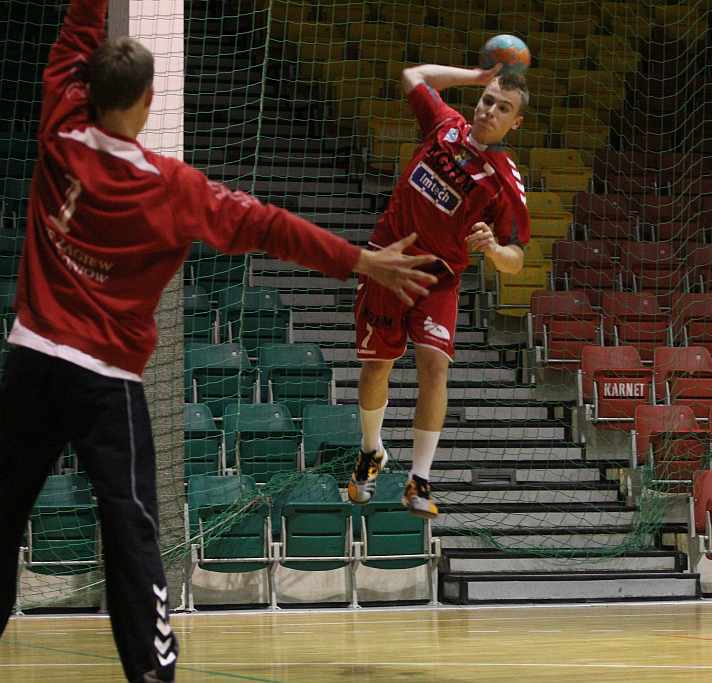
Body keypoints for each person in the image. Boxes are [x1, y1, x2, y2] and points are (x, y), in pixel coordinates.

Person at [0, 2, 437, 682]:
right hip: (103, 380)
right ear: (148, 103)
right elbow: (271, 227)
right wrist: (360, 261)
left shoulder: (60, 121)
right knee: (132, 531)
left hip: (29, 360)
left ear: (87, 86)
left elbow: (77, 28)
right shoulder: (172, 189)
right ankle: (153, 673)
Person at [347, 63, 531, 519]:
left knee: (434, 368)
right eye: (488, 100)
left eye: (503, 107)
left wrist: (492, 249)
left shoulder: (504, 180)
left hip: (438, 279)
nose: (490, 110)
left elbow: (518, 259)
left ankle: (420, 478)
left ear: (516, 122)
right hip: (387, 263)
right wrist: (475, 75)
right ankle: (372, 451)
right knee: (375, 370)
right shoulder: (445, 125)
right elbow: (412, 75)